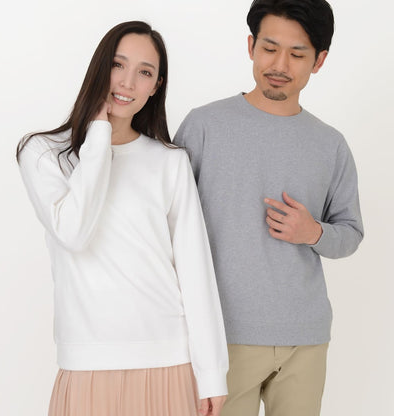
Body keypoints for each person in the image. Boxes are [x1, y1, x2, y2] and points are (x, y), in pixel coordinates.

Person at [17, 21, 228, 416]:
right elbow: (74, 232)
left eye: (144, 72)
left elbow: (195, 270)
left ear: (156, 86)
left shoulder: (169, 161)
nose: (128, 82)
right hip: (87, 360)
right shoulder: (43, 153)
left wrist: (212, 374)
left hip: (168, 358)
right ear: (100, 66)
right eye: (118, 65)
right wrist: (99, 135)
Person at [174, 1, 364, 415]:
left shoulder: (330, 144)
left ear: (319, 61)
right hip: (220, 336)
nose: (279, 65)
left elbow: (350, 232)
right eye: (269, 48)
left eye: (297, 54)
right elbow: (168, 226)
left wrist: (313, 232)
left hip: (305, 338)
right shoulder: (204, 126)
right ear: (251, 46)